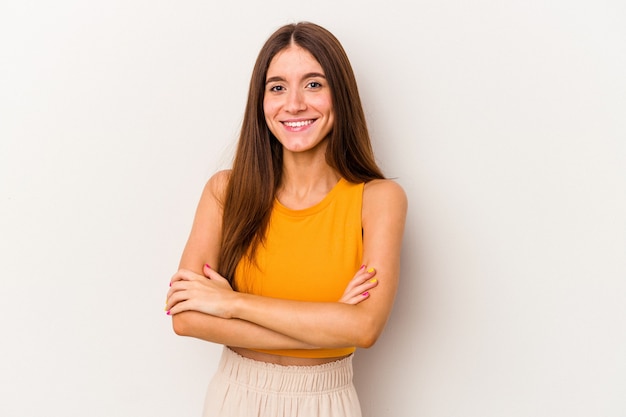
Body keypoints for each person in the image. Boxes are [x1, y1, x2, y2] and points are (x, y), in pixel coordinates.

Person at [165, 21, 407, 417]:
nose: (293, 104)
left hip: (325, 402)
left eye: (314, 84)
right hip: (235, 398)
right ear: (261, 101)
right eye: (277, 87)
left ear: (340, 95)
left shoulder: (378, 200)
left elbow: (364, 329)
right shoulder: (225, 192)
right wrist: (328, 326)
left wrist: (230, 303)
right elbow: (187, 317)